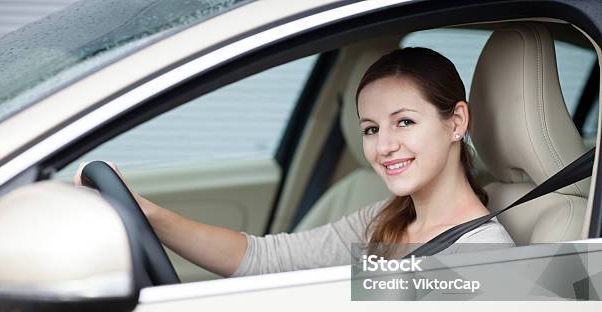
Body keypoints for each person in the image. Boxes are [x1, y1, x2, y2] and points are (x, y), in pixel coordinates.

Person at [75, 47, 514, 278]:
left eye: (404, 122)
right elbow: (266, 258)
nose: (384, 146)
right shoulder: (387, 218)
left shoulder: (487, 257)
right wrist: (144, 211)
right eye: (371, 129)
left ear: (456, 121)